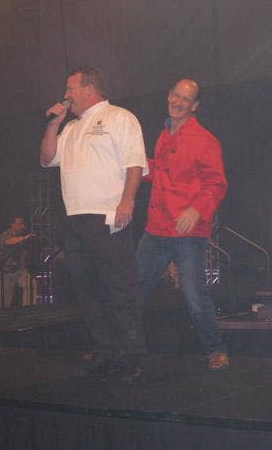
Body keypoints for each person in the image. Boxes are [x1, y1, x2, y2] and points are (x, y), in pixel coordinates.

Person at [40, 66, 148, 381]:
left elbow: (135, 163)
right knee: (88, 291)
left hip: (108, 216)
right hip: (75, 219)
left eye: (70, 88)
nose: (66, 95)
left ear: (89, 89)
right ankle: (107, 351)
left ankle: (132, 356)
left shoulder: (119, 117)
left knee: (119, 288)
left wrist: (127, 201)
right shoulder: (71, 127)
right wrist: (54, 124)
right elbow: (46, 158)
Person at [136, 78, 229, 371]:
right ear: (168, 95)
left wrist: (196, 210)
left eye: (186, 99)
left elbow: (217, 184)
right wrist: (135, 167)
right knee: (135, 288)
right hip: (156, 227)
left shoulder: (205, 139)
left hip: (187, 230)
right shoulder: (164, 134)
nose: (178, 102)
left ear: (195, 106)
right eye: (176, 95)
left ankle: (215, 350)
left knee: (193, 292)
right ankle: (118, 348)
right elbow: (163, 174)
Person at [0, 215, 36, 308]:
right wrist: (24, 238)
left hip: (18, 270)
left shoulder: (20, 237)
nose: (22, 226)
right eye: (20, 224)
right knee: (6, 301)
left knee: (31, 284)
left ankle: (29, 309)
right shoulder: (4, 236)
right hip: (4, 273)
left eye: (23, 224)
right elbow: (7, 242)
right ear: (12, 224)